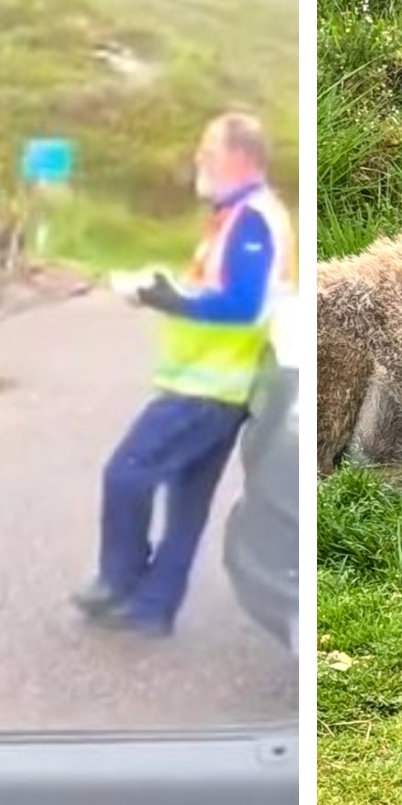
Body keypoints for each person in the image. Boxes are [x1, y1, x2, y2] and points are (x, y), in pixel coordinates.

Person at [72, 111, 296, 636]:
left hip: (211, 388)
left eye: (208, 152)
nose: (199, 160)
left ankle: (118, 578)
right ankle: (154, 610)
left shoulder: (252, 219)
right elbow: (219, 290)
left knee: (126, 471)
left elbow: (242, 305)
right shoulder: (233, 215)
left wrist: (168, 299)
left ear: (240, 158)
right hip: (219, 383)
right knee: (188, 503)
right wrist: (166, 291)